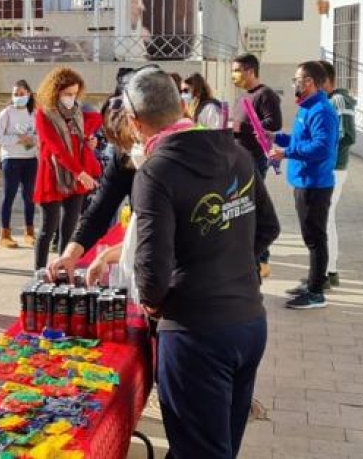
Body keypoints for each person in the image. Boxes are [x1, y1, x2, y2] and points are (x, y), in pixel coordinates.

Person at [124, 66, 280, 459]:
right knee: (219, 447)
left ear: (133, 121)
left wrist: (159, 300)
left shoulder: (156, 171)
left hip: (196, 333)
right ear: (182, 106)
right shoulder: (235, 152)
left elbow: (152, 268)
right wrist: (228, 263)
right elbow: (268, 227)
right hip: (248, 322)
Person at [270, 61, 339, 310]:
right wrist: (276, 137)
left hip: (315, 183)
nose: (294, 84)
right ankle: (312, 282)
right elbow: (302, 139)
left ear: (309, 82)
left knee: (315, 238)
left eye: (297, 80)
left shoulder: (321, 110)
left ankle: (316, 292)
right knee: (311, 236)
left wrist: (286, 152)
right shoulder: (307, 107)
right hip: (304, 180)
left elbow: (321, 148)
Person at [48, 102, 140, 283]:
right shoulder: (123, 156)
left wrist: (107, 255)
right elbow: (99, 212)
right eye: (118, 144)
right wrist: (70, 254)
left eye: (128, 143)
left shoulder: (174, 161)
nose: (129, 154)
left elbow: (159, 232)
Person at [32, 67, 101, 271]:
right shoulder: (44, 115)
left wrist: (89, 142)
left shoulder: (77, 114)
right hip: (53, 175)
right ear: (55, 91)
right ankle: (40, 272)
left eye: (74, 93)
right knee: (48, 228)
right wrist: (80, 173)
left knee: (69, 229)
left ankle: (63, 271)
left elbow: (80, 138)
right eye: (67, 94)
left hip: (76, 176)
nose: (71, 98)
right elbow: (57, 149)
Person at [230, 53, 282, 278]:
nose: (234, 75)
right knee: (241, 206)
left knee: (253, 207)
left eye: (237, 70)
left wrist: (245, 126)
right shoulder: (243, 96)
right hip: (238, 158)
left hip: (254, 158)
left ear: (250, 71)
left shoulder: (265, 95)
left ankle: (262, 260)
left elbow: (274, 123)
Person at [320, 60, 356, 289]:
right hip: (329, 168)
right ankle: (329, 271)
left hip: (333, 169)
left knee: (324, 220)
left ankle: (324, 274)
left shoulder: (338, 100)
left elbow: (348, 136)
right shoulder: (330, 100)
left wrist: (324, 155)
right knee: (326, 220)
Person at [0, 80, 38, 250]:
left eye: (22, 94)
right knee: (9, 195)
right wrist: (18, 139)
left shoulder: (35, 114)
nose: (18, 97)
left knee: (29, 196)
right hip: (10, 159)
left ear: (29, 94)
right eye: (15, 94)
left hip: (30, 158)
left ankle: (30, 232)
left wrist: (33, 140)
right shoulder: (6, 113)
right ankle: (4, 233)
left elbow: (41, 136)